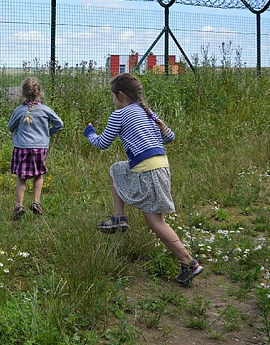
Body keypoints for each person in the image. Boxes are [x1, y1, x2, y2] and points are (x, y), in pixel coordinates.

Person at [84, 72, 203, 285]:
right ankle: (119, 218)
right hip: (161, 167)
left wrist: (89, 133)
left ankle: (189, 262)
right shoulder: (146, 112)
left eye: (112, 95)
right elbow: (170, 137)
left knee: (156, 221)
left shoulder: (118, 115)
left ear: (120, 95)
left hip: (148, 170)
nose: (112, 100)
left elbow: (102, 143)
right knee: (117, 169)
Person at [7, 76, 63, 221]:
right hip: (40, 148)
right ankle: (36, 202)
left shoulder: (19, 110)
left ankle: (19, 205)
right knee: (38, 175)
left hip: (21, 148)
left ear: (23, 93)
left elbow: (10, 127)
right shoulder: (45, 110)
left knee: (21, 177)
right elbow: (59, 124)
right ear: (40, 93)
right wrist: (46, 133)